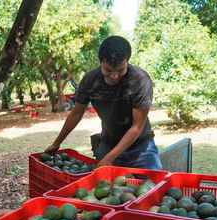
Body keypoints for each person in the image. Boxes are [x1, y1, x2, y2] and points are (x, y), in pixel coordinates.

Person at [45, 35, 162, 169]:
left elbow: (136, 127)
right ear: (101, 62)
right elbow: (76, 114)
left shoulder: (140, 81)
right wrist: (56, 143)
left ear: (127, 62)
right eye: (108, 70)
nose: (114, 76)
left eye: (120, 70)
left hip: (140, 146)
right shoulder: (90, 80)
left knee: (153, 183)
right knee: (102, 186)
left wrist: (108, 159)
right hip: (108, 142)